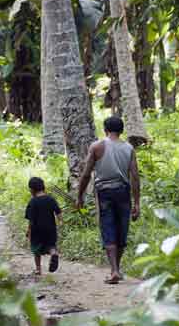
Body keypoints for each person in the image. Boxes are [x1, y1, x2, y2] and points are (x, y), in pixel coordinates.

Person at [77, 116, 140, 284]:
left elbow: (85, 174)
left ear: (105, 129)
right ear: (121, 130)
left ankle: (114, 270)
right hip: (123, 191)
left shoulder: (97, 146)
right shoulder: (129, 148)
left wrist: (80, 196)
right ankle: (116, 270)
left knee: (108, 227)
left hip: (104, 191)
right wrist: (137, 203)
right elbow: (135, 177)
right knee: (121, 229)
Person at [25, 177, 62, 275]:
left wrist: (29, 231)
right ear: (43, 187)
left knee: (36, 249)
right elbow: (58, 212)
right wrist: (60, 223)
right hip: (50, 229)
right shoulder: (51, 199)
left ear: (32, 189)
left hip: (37, 230)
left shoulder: (32, 202)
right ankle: (53, 253)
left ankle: (38, 269)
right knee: (51, 245)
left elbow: (31, 219)